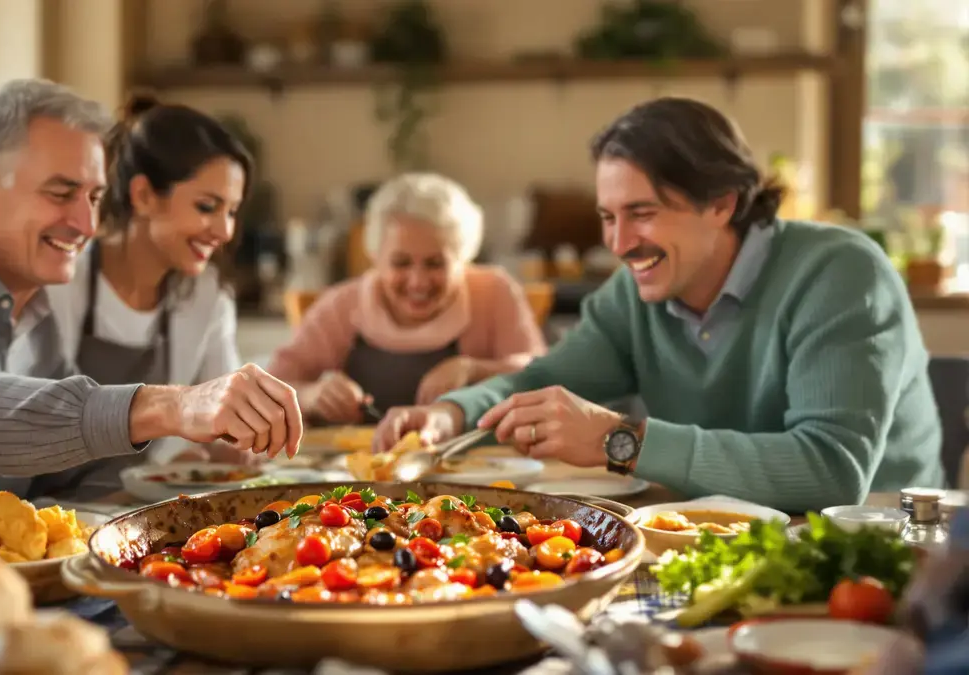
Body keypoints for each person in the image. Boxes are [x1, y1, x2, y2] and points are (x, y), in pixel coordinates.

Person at [373, 97, 944, 513]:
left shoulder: (840, 274)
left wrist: (616, 439)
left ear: (721, 204)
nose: (619, 244)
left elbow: (831, 470)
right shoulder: (634, 292)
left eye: (642, 213)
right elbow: (542, 384)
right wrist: (450, 415)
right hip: (715, 534)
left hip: (877, 550)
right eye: (608, 217)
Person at [0, 79, 302, 510]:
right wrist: (171, 406)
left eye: (93, 197)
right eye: (61, 193)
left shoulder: (37, 308)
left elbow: (74, 470)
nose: (87, 224)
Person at [46, 96, 250, 466]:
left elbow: (224, 414)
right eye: (207, 207)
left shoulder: (206, 296)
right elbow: (35, 420)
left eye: (232, 211)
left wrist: (232, 444)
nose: (224, 231)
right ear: (143, 196)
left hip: (147, 496)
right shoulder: (61, 281)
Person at [267, 172, 546, 423]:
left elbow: (540, 375)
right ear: (375, 257)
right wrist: (311, 395)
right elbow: (270, 389)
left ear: (463, 258)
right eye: (401, 263)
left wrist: (474, 370)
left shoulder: (495, 291)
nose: (418, 281)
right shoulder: (341, 305)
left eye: (435, 263)